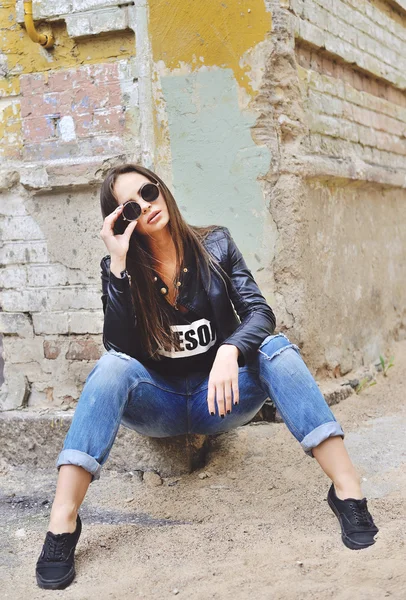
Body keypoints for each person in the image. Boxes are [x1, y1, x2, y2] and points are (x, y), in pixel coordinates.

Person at [35, 164, 379, 590]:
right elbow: (119, 348)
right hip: (156, 406)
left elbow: (260, 313)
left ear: (162, 191)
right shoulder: (119, 267)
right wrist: (120, 263)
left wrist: (229, 350)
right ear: (120, 219)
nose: (145, 206)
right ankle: (63, 523)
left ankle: (348, 491)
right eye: (130, 206)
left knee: (275, 346)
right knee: (110, 368)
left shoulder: (215, 244)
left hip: (220, 400)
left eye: (148, 191)